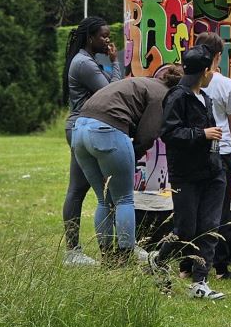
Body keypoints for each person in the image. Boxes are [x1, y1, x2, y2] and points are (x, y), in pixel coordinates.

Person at [70, 66, 180, 265]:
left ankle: (106, 256)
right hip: (106, 131)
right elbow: (147, 136)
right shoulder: (162, 95)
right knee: (124, 199)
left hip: (79, 130)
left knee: (104, 200)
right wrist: (131, 156)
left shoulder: (142, 82)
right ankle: (124, 256)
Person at [148, 45, 227, 300]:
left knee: (210, 226)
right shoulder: (177, 97)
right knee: (185, 228)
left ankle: (200, 283)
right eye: (211, 69)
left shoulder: (206, 97)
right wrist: (201, 134)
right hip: (186, 174)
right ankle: (158, 260)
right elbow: (169, 133)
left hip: (213, 172)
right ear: (204, 71)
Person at [61, 17, 122, 266]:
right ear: (90, 38)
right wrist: (116, 63)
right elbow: (112, 92)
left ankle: (74, 251)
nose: (107, 40)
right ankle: (75, 251)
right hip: (83, 127)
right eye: (103, 36)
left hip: (81, 126)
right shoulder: (84, 64)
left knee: (80, 189)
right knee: (89, 191)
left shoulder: (87, 61)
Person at [193, 31, 231, 280]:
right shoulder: (226, 84)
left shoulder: (189, 81)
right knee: (221, 210)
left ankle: (189, 262)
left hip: (196, 149)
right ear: (218, 56)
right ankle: (220, 265)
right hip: (221, 152)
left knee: (195, 206)